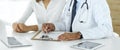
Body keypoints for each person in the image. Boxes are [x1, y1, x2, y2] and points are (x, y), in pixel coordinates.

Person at [42, 0, 118, 41]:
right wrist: (54, 26)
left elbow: (106, 28)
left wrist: (79, 34)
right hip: (74, 44)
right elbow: (66, 24)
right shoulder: (70, 1)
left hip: (97, 44)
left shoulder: (97, 1)